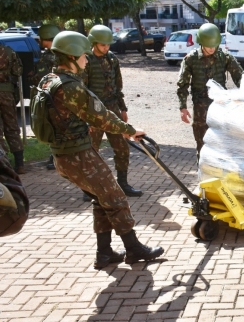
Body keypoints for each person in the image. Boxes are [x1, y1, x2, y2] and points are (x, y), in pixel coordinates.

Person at [38, 31, 163, 269]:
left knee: (100, 198)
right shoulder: (71, 87)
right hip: (78, 156)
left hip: (65, 154)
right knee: (115, 197)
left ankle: (104, 253)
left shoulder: (49, 79)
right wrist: (130, 130)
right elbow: (101, 116)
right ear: (72, 56)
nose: (86, 60)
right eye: (83, 55)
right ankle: (134, 249)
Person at [84, 25, 142, 198]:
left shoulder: (112, 59)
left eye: (108, 44)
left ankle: (123, 184)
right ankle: (89, 188)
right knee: (91, 151)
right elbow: (82, 89)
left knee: (122, 148)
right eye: (102, 44)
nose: (106, 47)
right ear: (93, 43)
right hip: (94, 111)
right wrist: (85, 118)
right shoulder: (86, 60)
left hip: (113, 109)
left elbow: (118, 86)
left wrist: (123, 108)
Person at [177, 23, 244, 158]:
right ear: (201, 43)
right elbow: (182, 84)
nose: (212, 49)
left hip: (220, 106)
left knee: (222, 143)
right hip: (200, 108)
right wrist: (183, 107)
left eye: (214, 45)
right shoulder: (191, 59)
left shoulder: (224, 57)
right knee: (202, 144)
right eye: (208, 46)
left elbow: (240, 78)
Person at [29, 24, 61, 170]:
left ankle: (54, 157)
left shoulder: (48, 56)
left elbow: (42, 78)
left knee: (52, 127)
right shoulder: (61, 53)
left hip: (50, 97)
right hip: (59, 96)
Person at [0, 42, 24, 174]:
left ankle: (4, 164)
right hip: (7, 93)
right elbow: (18, 71)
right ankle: (20, 164)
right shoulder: (9, 51)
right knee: (12, 127)